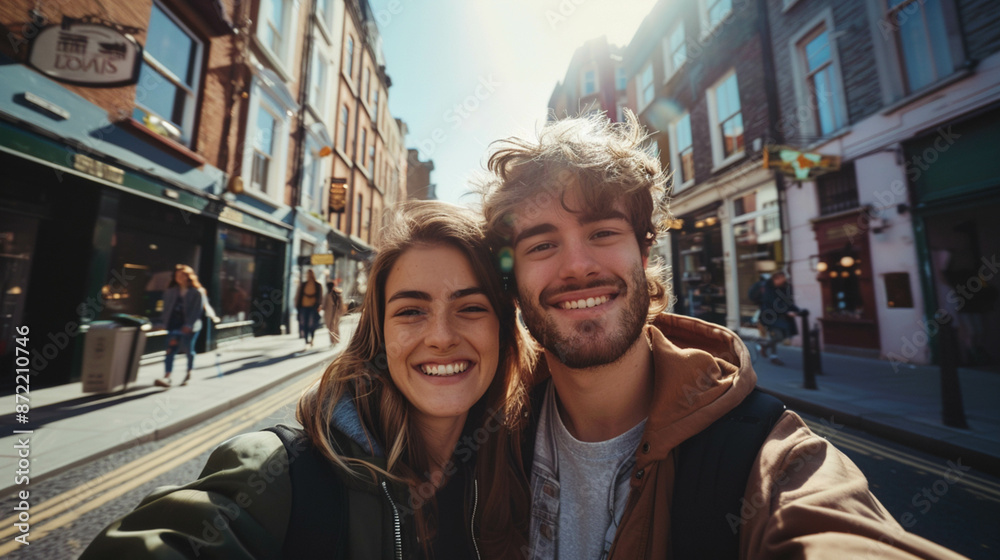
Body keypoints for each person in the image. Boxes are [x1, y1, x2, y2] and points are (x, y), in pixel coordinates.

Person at [478, 112, 965, 559]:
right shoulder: (487, 433)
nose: (578, 265)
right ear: (513, 284)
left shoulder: (769, 451)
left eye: (603, 233)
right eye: (542, 244)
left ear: (644, 255)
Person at [81, 201, 534, 559]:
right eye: (411, 311)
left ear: (503, 328)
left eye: (471, 307)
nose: (440, 337)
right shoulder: (282, 475)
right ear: (378, 335)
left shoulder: (531, 461)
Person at [155, 265, 210, 388]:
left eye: (182, 275)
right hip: (174, 325)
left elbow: (197, 310)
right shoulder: (170, 291)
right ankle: (167, 377)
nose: (179, 278)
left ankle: (189, 372)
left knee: (188, 350)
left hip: (190, 326)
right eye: (177, 275)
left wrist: (189, 324)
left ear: (188, 276)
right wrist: (163, 323)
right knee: (170, 350)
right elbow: (166, 309)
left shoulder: (197, 292)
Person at [756, 269, 799, 366]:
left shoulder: (784, 288)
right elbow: (770, 303)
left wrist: (797, 310)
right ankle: (771, 354)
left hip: (780, 316)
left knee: (781, 336)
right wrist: (787, 311)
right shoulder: (768, 288)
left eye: (784, 279)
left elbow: (788, 301)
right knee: (777, 336)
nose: (783, 280)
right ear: (775, 279)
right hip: (770, 316)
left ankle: (768, 349)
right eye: (781, 279)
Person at [296, 268, 323, 348]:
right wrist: (298, 306)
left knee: (311, 324)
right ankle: (306, 340)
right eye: (307, 273)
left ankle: (312, 339)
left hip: (313, 307)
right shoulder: (303, 284)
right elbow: (299, 295)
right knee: (304, 324)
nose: (308, 275)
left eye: (310, 273)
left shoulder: (317, 285)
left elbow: (320, 296)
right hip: (304, 307)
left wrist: (319, 305)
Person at [322, 278, 346, 345]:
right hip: (331, 314)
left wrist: (341, 310)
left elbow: (340, 303)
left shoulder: (333, 294)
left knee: (334, 327)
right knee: (332, 327)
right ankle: (333, 340)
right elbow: (324, 305)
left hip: (334, 313)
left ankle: (336, 339)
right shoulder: (328, 295)